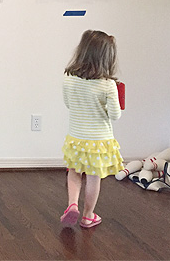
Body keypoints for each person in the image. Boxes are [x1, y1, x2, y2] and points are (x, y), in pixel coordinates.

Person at [60, 30, 124, 228]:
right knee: (94, 178)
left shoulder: (69, 78)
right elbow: (115, 115)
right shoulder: (108, 85)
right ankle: (88, 215)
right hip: (100, 140)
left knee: (74, 172)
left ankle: (72, 204)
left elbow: (68, 103)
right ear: (107, 57)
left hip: (76, 137)